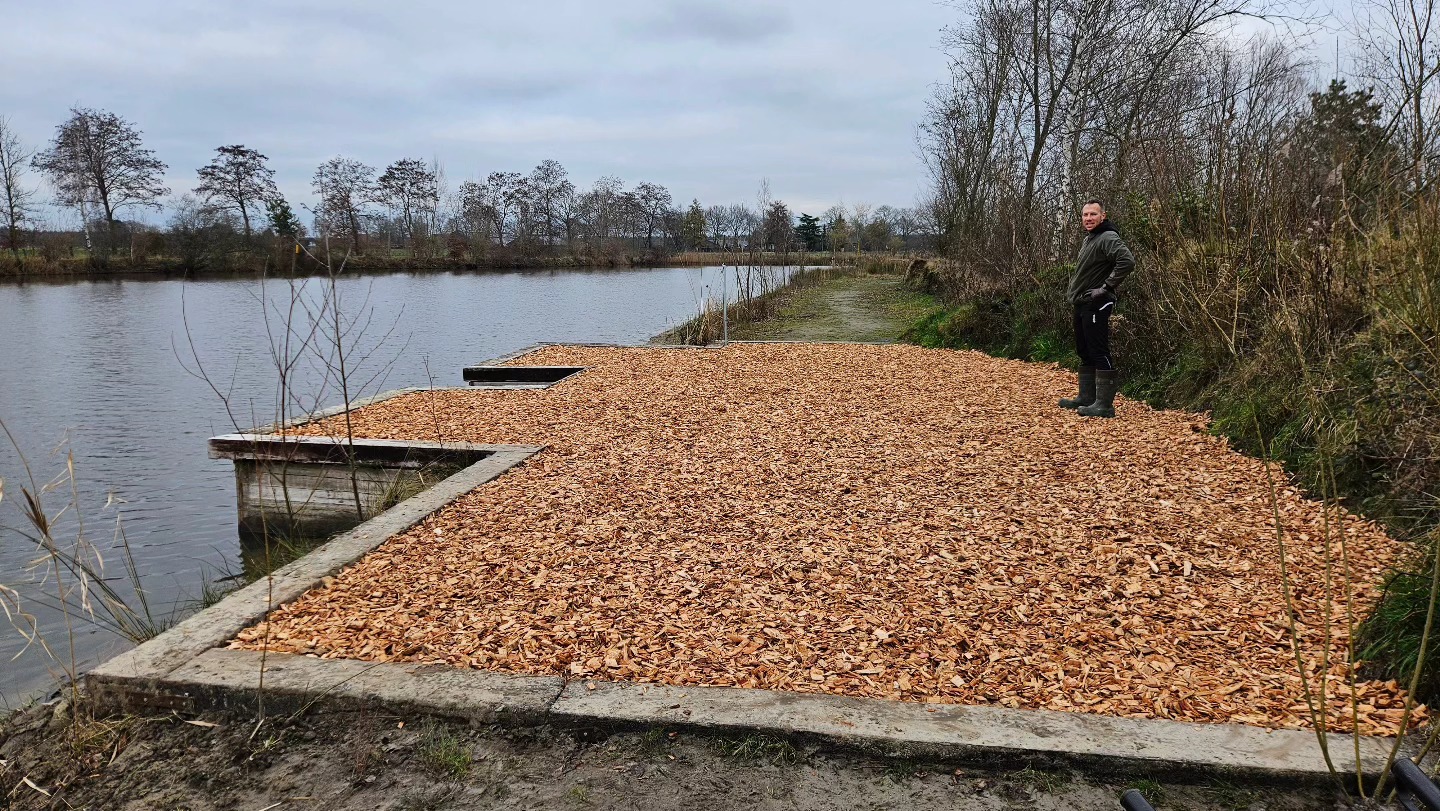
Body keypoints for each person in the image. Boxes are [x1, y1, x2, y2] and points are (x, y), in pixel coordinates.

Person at [1059, 199, 1135, 418]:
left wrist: (1106, 287)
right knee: (1084, 350)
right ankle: (1087, 398)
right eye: (1085, 215)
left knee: (1098, 350)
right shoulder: (1090, 238)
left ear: (1103, 216)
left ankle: (1104, 405)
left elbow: (1127, 261)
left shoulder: (1108, 237)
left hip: (1098, 303)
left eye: (1093, 214)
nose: (1089, 219)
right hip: (1082, 302)